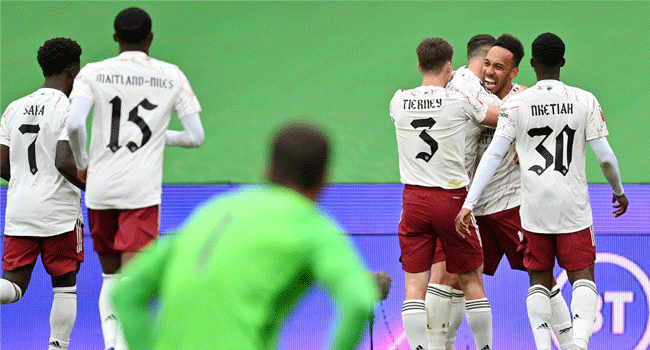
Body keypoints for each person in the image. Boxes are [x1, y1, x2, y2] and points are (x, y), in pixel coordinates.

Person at [111, 123, 391, 350]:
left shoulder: (214, 211)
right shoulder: (313, 228)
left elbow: (127, 293)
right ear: (324, 179)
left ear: (267, 169)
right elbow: (358, 302)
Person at [456, 32, 628, 350]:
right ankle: (577, 343)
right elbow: (605, 157)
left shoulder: (517, 104)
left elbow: (493, 155)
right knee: (582, 277)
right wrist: (618, 191)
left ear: (532, 64)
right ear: (562, 62)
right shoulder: (584, 99)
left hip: (532, 207)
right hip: (573, 206)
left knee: (538, 280)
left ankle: (542, 345)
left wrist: (469, 201)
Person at [66, 7, 205, 350]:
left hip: (99, 189)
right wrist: (159, 135)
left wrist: (83, 161)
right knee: (134, 280)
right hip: (141, 193)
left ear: (115, 38)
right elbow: (195, 136)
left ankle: (111, 343)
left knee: (110, 277)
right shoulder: (172, 75)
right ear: (151, 37)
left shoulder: (93, 72)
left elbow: (72, 124)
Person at [390, 37, 497, 350]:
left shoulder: (398, 101)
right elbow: (495, 117)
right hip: (450, 200)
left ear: (419, 66)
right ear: (450, 66)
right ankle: (485, 348)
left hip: (412, 200)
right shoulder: (459, 100)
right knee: (472, 280)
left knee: (414, 287)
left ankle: (420, 348)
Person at [0, 37, 84, 350]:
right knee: (65, 288)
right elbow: (65, 161)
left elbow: (1, 164)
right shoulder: (70, 108)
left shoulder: (14, 108)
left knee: (13, 286)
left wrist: (25, 180)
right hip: (59, 215)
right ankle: (57, 347)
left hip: (19, 209)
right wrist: (96, 187)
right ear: (73, 69)